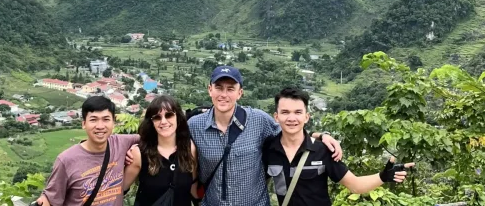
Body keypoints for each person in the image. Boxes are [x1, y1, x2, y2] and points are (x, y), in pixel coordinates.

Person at [140, 65, 343, 206]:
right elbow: (164, 132)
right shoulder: (195, 125)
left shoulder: (258, 120)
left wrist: (320, 135)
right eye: (219, 87)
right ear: (210, 89)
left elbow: (289, 129)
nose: (224, 94)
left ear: (240, 93)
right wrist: (131, 143)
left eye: (231, 89)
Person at [263, 87, 414, 206]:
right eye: (285, 112)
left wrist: (383, 176)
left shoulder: (323, 150)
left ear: (306, 117)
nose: (291, 118)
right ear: (276, 117)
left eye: (297, 112)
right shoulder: (268, 149)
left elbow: (355, 185)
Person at [37, 96, 139, 206]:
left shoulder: (120, 143)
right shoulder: (66, 160)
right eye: (93, 120)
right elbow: (50, 200)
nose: (100, 126)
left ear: (113, 122)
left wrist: (136, 148)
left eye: (106, 119)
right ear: (84, 124)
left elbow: (151, 138)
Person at [123, 95, 198, 205]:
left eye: (169, 115)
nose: (163, 121)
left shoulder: (189, 148)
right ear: (151, 122)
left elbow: (193, 187)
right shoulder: (139, 153)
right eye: (157, 117)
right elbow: (120, 190)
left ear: (178, 117)